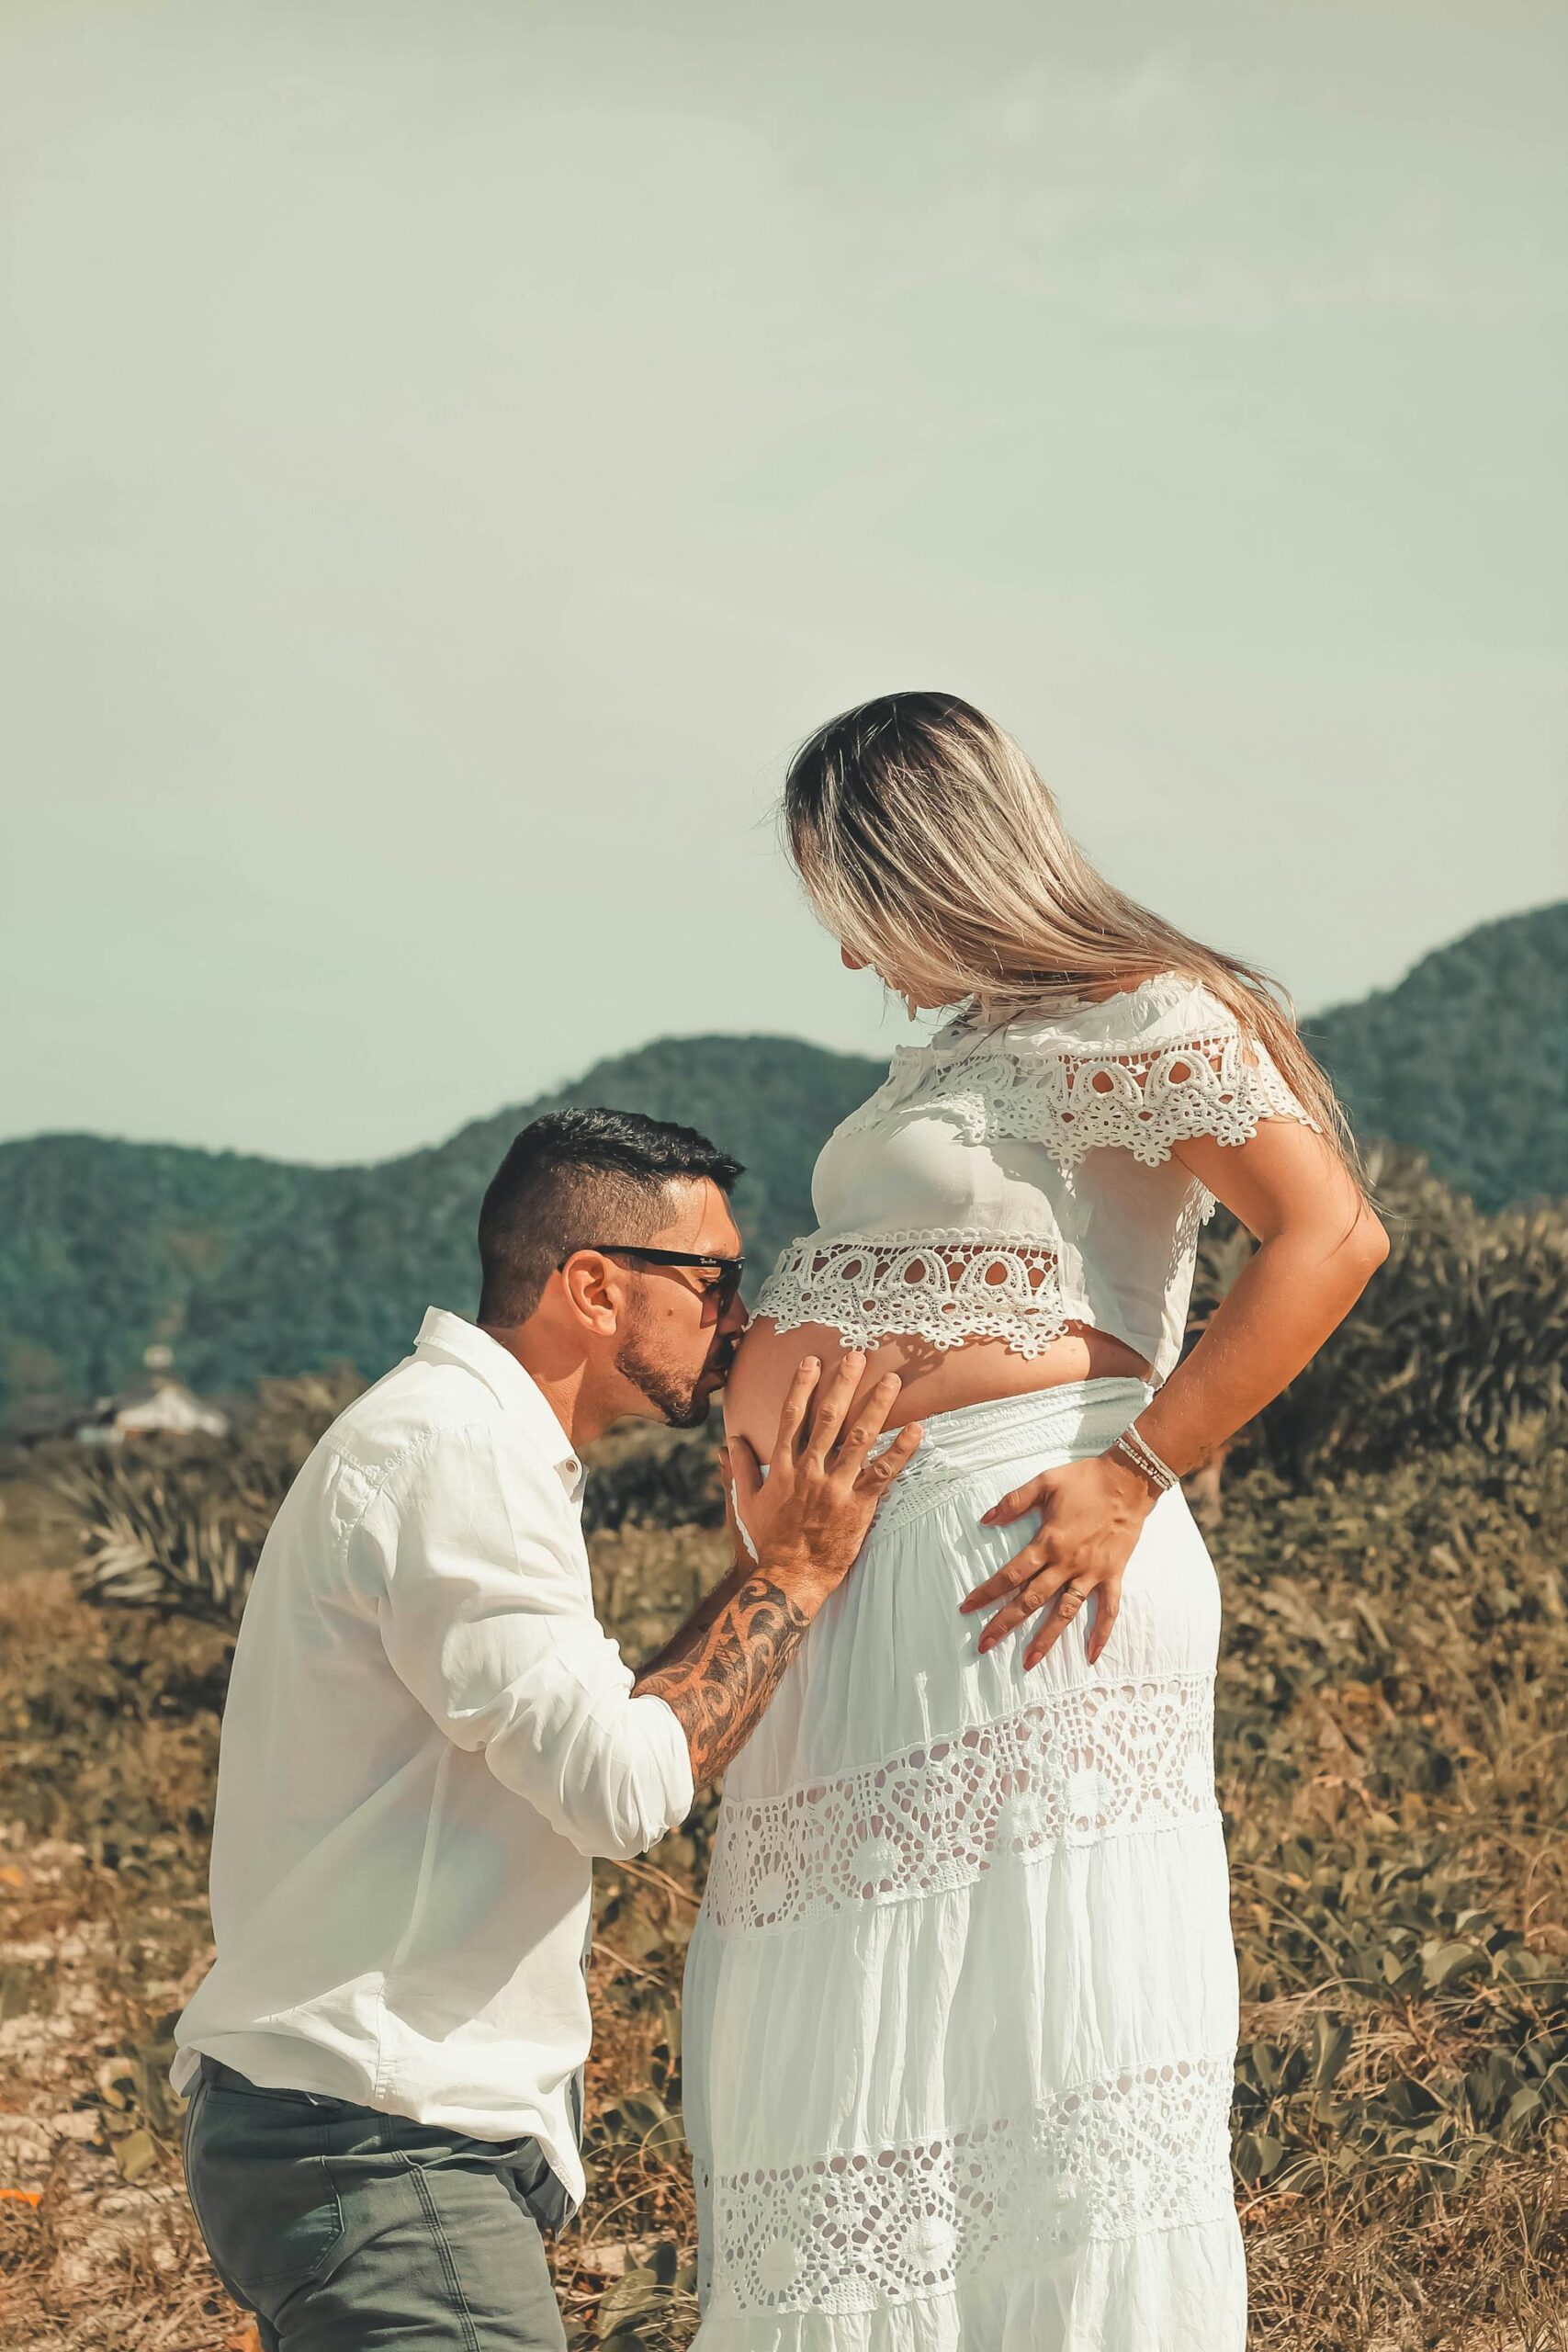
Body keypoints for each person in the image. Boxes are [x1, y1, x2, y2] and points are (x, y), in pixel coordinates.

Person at [682, 691, 1390, 2350]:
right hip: (874, 1587)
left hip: (1026, 1561)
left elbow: (1330, 1238)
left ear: (922, 859)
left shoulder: (1147, 1011)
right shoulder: (959, 1051)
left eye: (845, 906)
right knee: (865, 2035)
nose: (852, 962)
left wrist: (1141, 1473)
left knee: (1030, 2042)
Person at [174, 1107, 925, 2352]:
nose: (738, 1316)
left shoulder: (461, 1444)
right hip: (384, 2143)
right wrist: (792, 1573)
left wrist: (759, 1560)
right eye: (714, 1279)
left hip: (352, 2131)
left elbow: (605, 1723)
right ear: (592, 1286)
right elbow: (622, 1789)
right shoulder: (453, 1458)